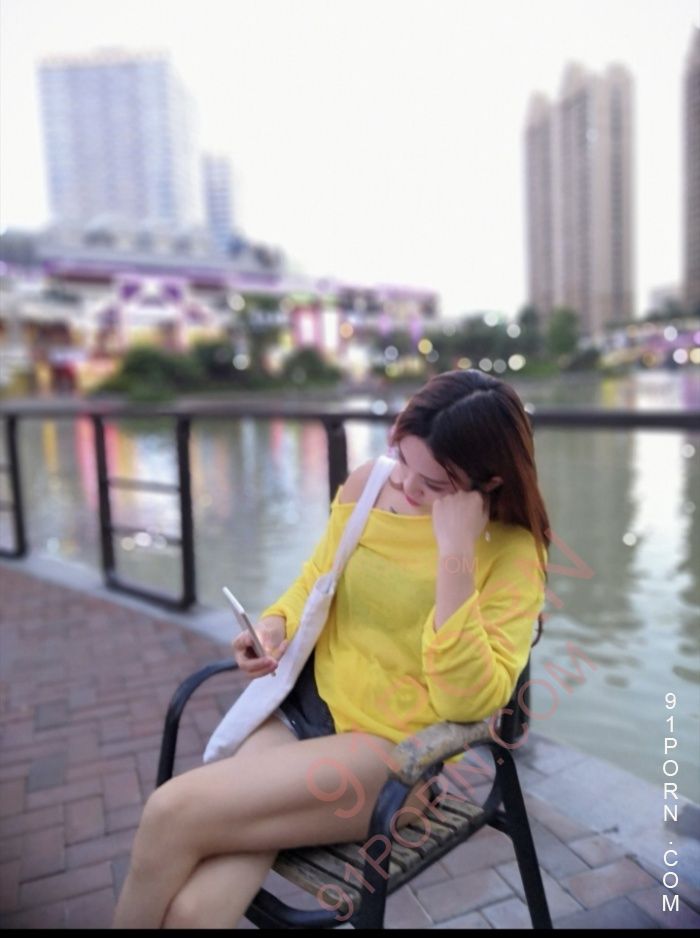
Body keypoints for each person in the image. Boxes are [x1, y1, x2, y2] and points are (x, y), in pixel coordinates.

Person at [112, 368, 550, 928]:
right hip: (303, 715)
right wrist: (274, 627)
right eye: (403, 459)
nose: (407, 486)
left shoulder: (512, 553)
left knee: (170, 811)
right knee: (197, 911)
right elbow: (316, 578)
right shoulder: (369, 483)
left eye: (434, 483)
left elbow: (467, 702)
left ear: (489, 481)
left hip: (393, 757)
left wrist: (455, 555)